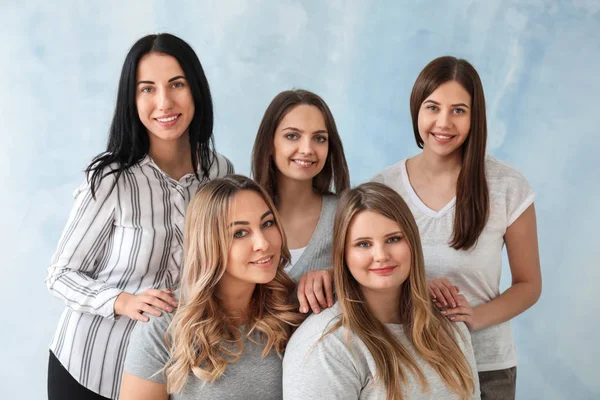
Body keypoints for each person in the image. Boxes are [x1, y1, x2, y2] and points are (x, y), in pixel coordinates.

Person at [45, 33, 233, 399]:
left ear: (195, 89)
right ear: (132, 100)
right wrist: (122, 301)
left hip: (167, 372)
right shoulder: (111, 178)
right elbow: (60, 275)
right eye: (147, 89)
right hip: (91, 367)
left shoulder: (220, 172)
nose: (164, 102)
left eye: (176, 84)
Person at [373, 56, 542, 399]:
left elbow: (529, 284)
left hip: (486, 367)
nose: (443, 122)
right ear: (416, 111)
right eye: (432, 107)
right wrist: (417, 283)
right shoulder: (384, 188)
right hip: (408, 361)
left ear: (474, 116)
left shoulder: (507, 185)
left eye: (458, 110)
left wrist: (474, 319)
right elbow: (370, 278)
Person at [283, 182, 480, 399]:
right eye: (363, 244)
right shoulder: (325, 347)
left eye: (393, 239)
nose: (381, 255)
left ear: (412, 243)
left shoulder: (449, 321)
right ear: (343, 254)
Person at [120, 175, 303, 399]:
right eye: (240, 233)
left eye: (267, 224)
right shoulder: (163, 323)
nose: (263, 243)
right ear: (208, 243)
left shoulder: (295, 309)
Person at [251, 89, 350, 314]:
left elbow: (379, 280)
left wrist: (337, 277)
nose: (307, 150)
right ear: (269, 143)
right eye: (292, 136)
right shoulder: (238, 214)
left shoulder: (347, 214)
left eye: (319, 138)